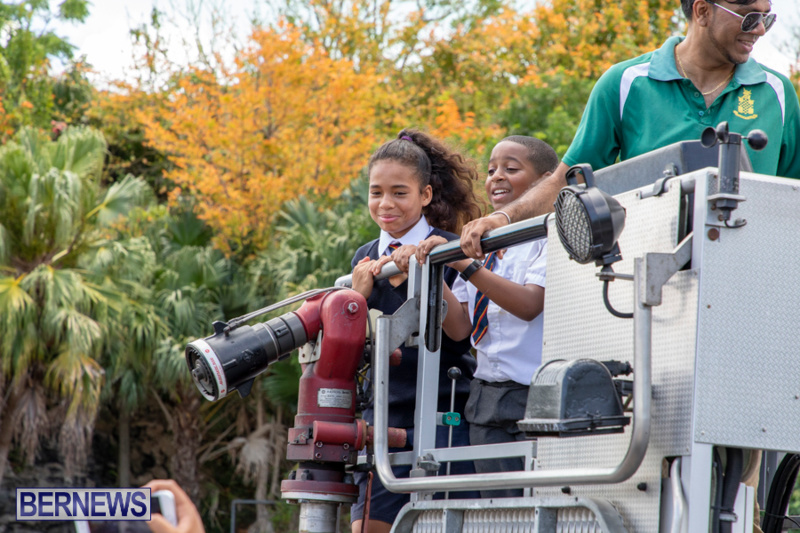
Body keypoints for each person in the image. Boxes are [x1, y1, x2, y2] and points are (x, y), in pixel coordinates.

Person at [459, 0, 800, 260]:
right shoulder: (624, 82)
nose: (760, 30)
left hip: (754, 271)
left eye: (767, 18)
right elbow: (567, 181)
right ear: (702, 11)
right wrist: (503, 218)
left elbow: (793, 198)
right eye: (750, 17)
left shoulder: (779, 92)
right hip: (652, 277)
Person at [349, 129, 482, 533]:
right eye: (376, 192)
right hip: (381, 414)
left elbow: (460, 332)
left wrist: (425, 272)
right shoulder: (363, 258)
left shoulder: (450, 247)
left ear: (425, 195)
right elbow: (355, 347)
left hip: (444, 414)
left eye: (399, 193)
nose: (385, 204)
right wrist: (356, 297)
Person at [412, 136, 558, 499]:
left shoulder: (548, 236)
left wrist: (465, 264)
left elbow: (529, 304)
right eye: (492, 170)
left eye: (511, 168)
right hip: (486, 395)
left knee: (531, 503)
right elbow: (461, 327)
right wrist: (433, 267)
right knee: (495, 508)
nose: (497, 177)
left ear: (545, 182)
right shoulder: (484, 242)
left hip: (532, 394)